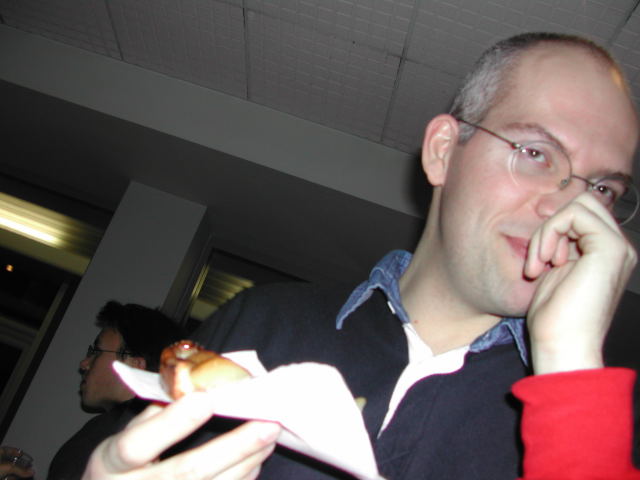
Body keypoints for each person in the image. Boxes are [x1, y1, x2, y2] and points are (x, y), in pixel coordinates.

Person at [81, 31, 640, 479]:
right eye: (536, 153)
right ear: (443, 152)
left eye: (602, 190)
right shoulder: (262, 322)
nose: (568, 210)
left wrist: (570, 369)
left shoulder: (606, 426)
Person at [47, 301, 183, 480]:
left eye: (96, 352)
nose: (84, 364)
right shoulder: (167, 436)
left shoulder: (107, 436)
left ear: (134, 365)